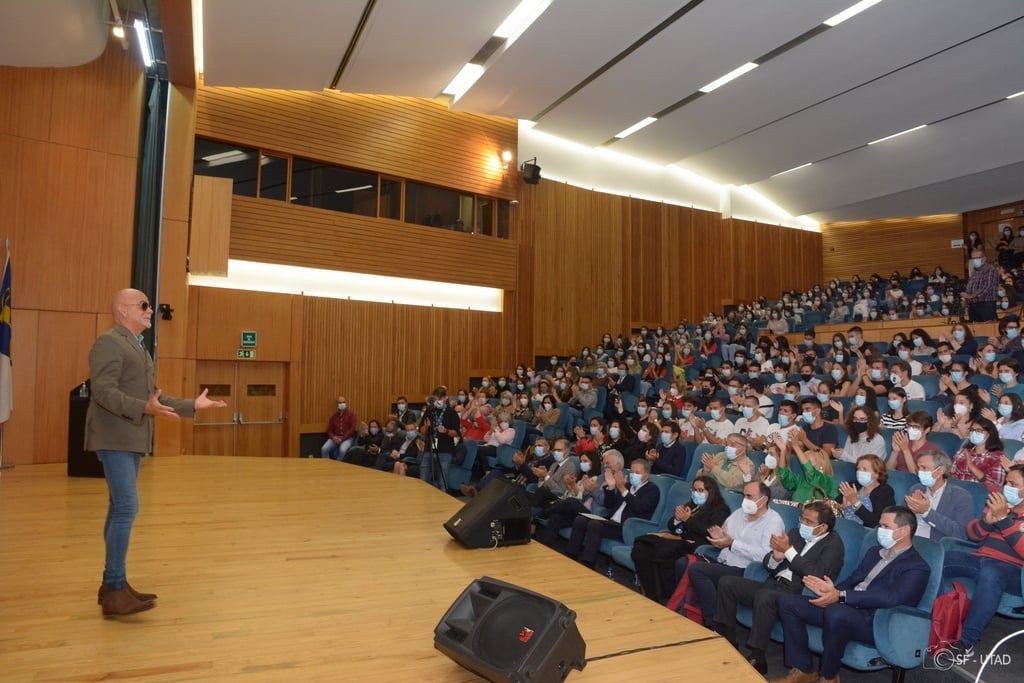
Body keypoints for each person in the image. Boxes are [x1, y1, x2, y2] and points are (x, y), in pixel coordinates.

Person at [88, 289, 227, 616]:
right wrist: (144, 408)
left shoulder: (136, 346)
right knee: (126, 508)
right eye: (144, 306)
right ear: (123, 310)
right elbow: (103, 392)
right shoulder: (109, 342)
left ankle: (113, 583)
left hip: (129, 437)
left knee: (118, 508)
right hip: (115, 437)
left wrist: (192, 404)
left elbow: (153, 399)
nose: (151, 311)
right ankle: (114, 587)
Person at [772, 507, 931, 683]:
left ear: (905, 530)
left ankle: (828, 676)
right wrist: (830, 590)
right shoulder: (874, 552)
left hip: (875, 621)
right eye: (879, 525)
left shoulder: (917, 566)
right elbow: (853, 580)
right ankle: (803, 670)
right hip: (845, 607)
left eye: (885, 526)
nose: (880, 530)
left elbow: (891, 598)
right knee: (789, 603)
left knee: (836, 612)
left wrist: (841, 596)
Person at [714, 502, 845, 675]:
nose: (802, 524)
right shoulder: (795, 534)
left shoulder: (833, 545)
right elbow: (770, 561)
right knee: (727, 583)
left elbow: (817, 574)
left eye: (809, 522)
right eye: (802, 519)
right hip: (773, 584)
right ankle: (728, 640)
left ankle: (757, 656)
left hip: (796, 592)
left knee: (765, 596)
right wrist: (775, 558)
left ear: (823, 527)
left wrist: (789, 552)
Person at [941, 464, 1024, 659]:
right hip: (980, 559)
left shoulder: (1003, 510)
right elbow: (973, 535)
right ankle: (931, 621)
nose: (1007, 487)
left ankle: (967, 641)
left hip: (1013, 572)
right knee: (938, 559)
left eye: (1013, 483)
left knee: (991, 573)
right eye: (1006, 482)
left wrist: (1003, 519)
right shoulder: (998, 503)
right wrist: (986, 521)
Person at [687, 482, 785, 629]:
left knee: (697, 570)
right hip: (724, 560)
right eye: (743, 495)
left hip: (745, 569)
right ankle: (693, 615)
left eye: (749, 496)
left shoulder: (773, 521)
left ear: (764, 500)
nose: (744, 500)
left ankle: (713, 623)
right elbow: (725, 535)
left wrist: (732, 544)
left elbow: (765, 555)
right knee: (685, 562)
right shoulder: (739, 513)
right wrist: (719, 538)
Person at [631, 476, 730, 603]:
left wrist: (688, 519)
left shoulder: (720, 509)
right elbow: (671, 526)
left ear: (711, 492)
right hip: (678, 539)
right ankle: (651, 593)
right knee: (641, 546)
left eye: (700, 490)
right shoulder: (692, 505)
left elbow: (709, 531)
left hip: (695, 545)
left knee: (661, 551)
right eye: (694, 489)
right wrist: (677, 519)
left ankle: (664, 595)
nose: (696, 493)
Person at [566, 459, 660, 569]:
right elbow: (609, 504)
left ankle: (588, 563)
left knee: (595, 525)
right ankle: (570, 556)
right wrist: (611, 487)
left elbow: (639, 508)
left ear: (647, 475)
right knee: (580, 520)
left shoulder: (652, 490)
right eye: (632, 472)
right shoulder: (627, 486)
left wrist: (622, 489)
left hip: (626, 527)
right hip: (611, 522)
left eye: (637, 473)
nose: (633, 475)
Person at [904, 450, 973, 542]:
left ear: (941, 470)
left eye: (924, 468)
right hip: (907, 540)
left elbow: (961, 533)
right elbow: (901, 519)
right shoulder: (916, 488)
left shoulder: (961, 496)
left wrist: (927, 512)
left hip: (933, 546)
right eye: (918, 468)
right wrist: (911, 512)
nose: (920, 472)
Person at [419, 386, 461, 490]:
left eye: (440, 398)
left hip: (445, 450)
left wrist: (446, 431)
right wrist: (426, 426)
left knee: (443, 480)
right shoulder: (429, 410)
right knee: (423, 478)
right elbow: (421, 431)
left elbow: (456, 433)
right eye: (436, 398)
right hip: (429, 448)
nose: (438, 401)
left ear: (446, 398)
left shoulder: (452, 413)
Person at [838, 455, 895, 528]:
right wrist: (843, 507)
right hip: (840, 523)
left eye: (864, 469)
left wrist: (855, 502)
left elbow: (876, 523)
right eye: (858, 469)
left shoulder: (885, 491)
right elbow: (834, 509)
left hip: (859, 530)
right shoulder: (853, 485)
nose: (859, 472)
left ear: (876, 474)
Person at [951, 418, 1006, 492]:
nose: (974, 433)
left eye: (978, 430)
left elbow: (996, 488)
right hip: (956, 491)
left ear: (989, 434)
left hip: (979, 495)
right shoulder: (963, 452)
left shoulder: (997, 457)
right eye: (972, 430)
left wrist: (972, 468)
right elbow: (952, 474)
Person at [962, 247, 999, 322]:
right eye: (973, 258)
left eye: (977, 258)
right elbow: (970, 288)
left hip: (986, 305)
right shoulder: (974, 272)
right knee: (975, 329)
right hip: (973, 304)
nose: (975, 260)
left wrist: (971, 296)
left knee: (987, 328)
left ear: (984, 258)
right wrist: (966, 298)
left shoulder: (990, 269)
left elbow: (987, 286)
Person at [321, 395, 357, 460]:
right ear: (337, 404)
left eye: (343, 402)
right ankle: (326, 466)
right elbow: (329, 430)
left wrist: (343, 438)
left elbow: (352, 429)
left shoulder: (351, 415)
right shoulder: (334, 416)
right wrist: (333, 437)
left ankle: (338, 466)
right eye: (340, 403)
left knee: (342, 450)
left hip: (347, 438)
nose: (342, 404)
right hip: (335, 438)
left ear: (346, 403)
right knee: (324, 449)